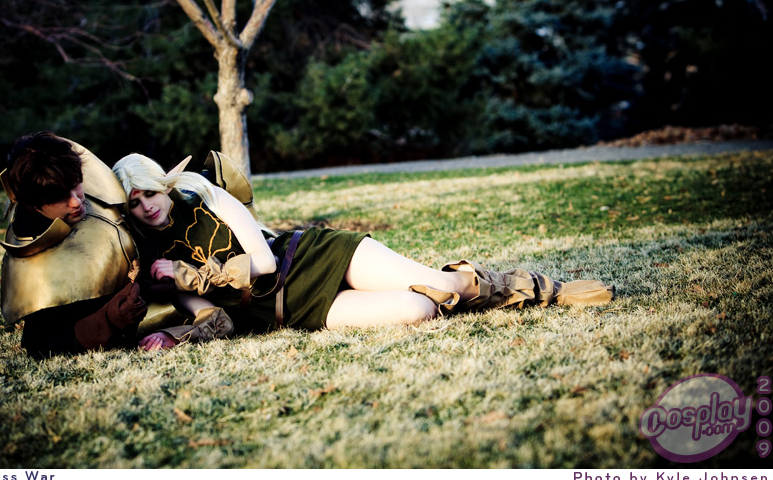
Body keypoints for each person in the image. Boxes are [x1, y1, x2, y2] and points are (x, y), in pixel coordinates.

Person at [112, 153, 614, 340]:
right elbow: (216, 320)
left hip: (311, 256)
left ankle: (544, 290)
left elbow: (262, 262)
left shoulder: (208, 197)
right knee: (419, 310)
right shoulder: (159, 264)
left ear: (164, 185)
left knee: (440, 284)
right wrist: (175, 335)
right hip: (294, 310)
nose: (146, 206)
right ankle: (469, 293)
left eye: (150, 193)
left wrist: (191, 275)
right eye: (134, 203)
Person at [0, 132, 233, 358]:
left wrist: (149, 283)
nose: (76, 202)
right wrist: (107, 320)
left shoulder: (95, 197)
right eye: (60, 198)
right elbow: (39, 343)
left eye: (76, 184)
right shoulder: (32, 256)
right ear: (35, 206)